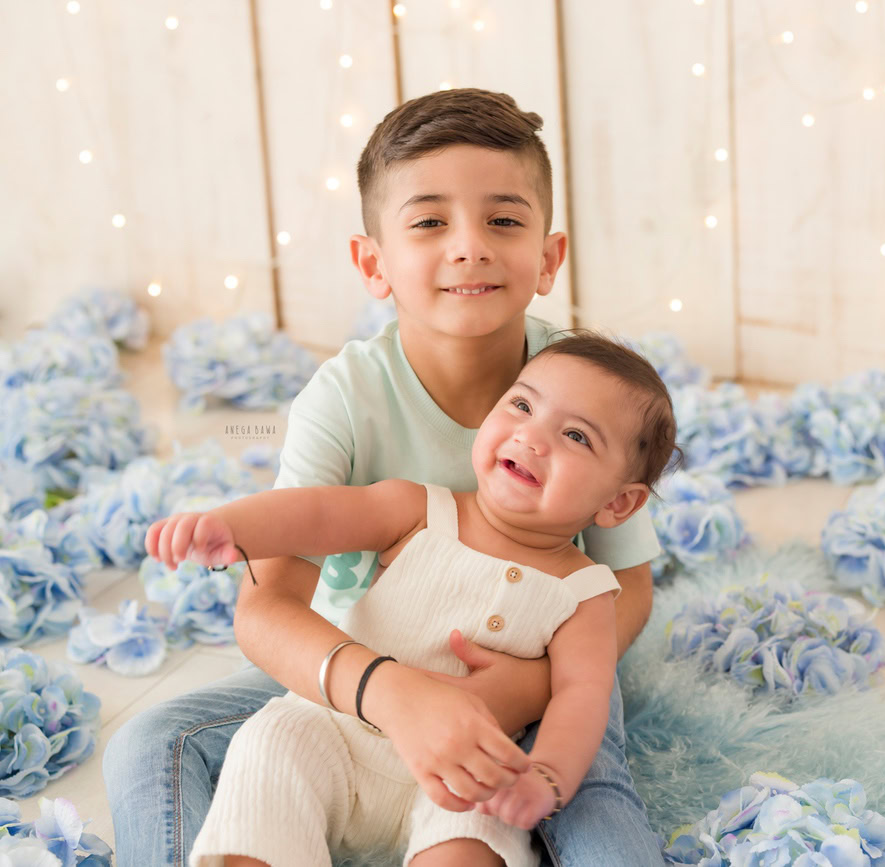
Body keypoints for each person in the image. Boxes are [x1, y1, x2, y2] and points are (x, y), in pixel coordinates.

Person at [103, 88, 668, 867]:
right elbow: (267, 606)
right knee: (149, 743)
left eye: (503, 220)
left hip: (532, 664)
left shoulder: (581, 389)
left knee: (592, 802)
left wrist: (525, 689)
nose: (469, 245)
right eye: (430, 221)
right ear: (374, 263)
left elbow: (627, 586)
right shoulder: (342, 399)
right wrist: (393, 693)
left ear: (548, 257)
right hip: (355, 673)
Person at [147, 334, 677, 867]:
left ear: (618, 502)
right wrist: (234, 527)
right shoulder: (420, 509)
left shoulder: (585, 592)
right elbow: (316, 516)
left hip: (466, 763)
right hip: (335, 730)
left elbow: (581, 697)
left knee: (477, 833)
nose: (532, 437)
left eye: (576, 436)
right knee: (270, 744)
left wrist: (548, 777)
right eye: (521, 405)